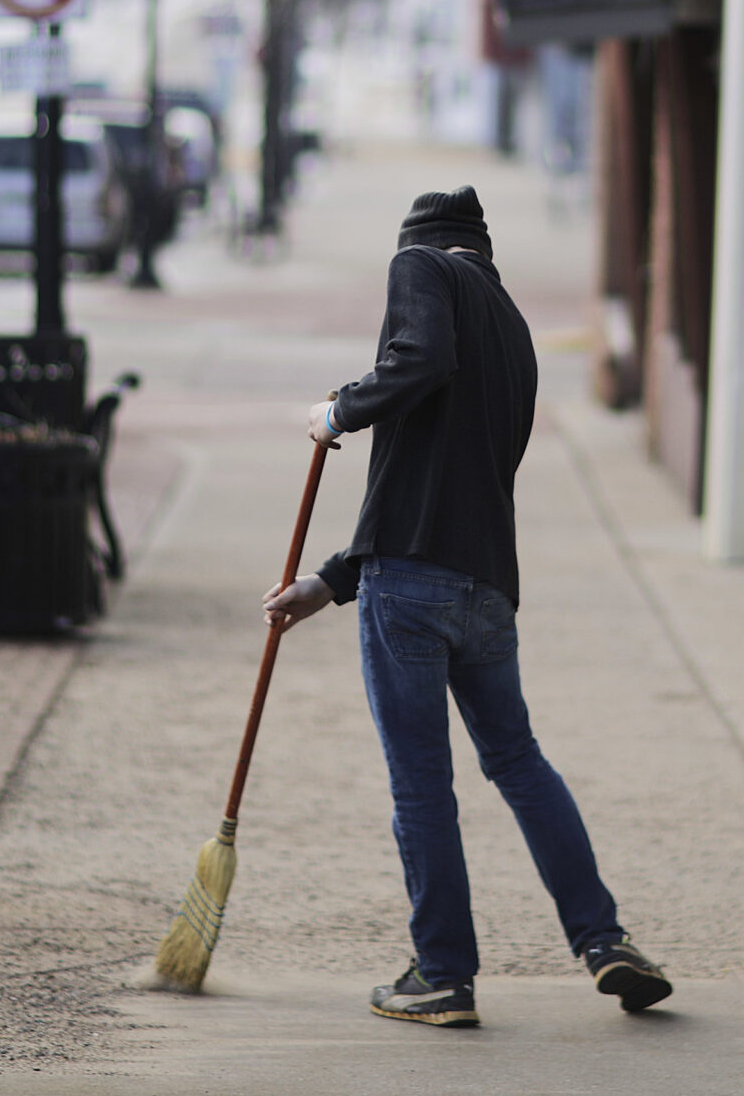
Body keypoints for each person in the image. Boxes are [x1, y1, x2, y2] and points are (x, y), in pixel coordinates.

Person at [263, 186, 670, 1028]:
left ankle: (443, 971)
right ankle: (603, 937)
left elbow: (417, 361)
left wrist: (337, 408)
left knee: (423, 784)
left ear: (429, 248)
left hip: (409, 588)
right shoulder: (514, 329)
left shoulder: (421, 266)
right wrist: (330, 583)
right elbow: (436, 472)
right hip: (484, 586)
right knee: (520, 763)